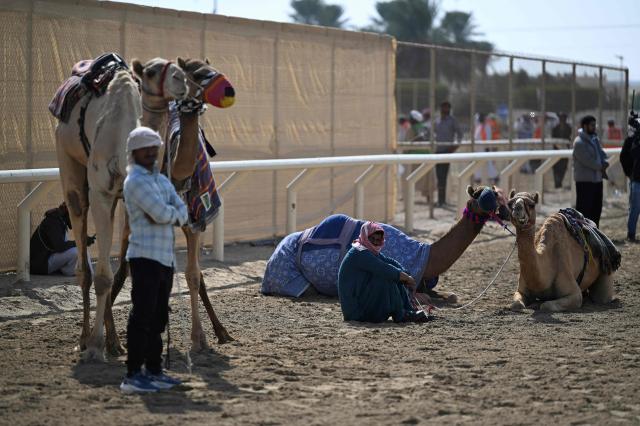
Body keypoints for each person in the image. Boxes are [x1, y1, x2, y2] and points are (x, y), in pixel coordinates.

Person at [120, 127, 189, 394]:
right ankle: (133, 375)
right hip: (144, 258)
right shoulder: (134, 182)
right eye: (146, 148)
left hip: (164, 260)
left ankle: (154, 370)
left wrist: (169, 214)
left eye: (154, 147)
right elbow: (163, 213)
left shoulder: (160, 180)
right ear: (134, 152)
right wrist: (171, 214)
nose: (151, 152)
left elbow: (178, 210)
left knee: (159, 318)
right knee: (142, 317)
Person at [337, 222, 430, 323]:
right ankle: (401, 315)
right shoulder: (360, 253)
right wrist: (407, 278)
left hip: (363, 301)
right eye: (373, 239)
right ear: (365, 237)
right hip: (356, 312)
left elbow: (389, 261)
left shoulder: (367, 250)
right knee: (387, 277)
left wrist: (406, 275)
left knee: (395, 276)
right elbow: (384, 269)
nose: (376, 243)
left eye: (379, 240)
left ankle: (409, 311)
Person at [29, 201, 95, 276]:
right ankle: (89, 275)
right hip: (40, 266)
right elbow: (60, 247)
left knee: (79, 249)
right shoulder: (53, 221)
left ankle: (82, 273)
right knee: (79, 251)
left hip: (46, 261)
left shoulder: (60, 220)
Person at [573, 115, 609, 227]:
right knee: (584, 212)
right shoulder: (579, 143)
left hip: (597, 181)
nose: (594, 127)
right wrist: (601, 166)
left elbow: (602, 153)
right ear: (585, 126)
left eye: (595, 125)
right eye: (592, 125)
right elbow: (588, 161)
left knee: (596, 210)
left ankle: (595, 234)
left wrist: (605, 162)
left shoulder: (595, 139)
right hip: (585, 183)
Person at [434, 101, 463, 206]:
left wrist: (455, 146)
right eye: (443, 107)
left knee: (443, 176)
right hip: (437, 151)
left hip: (447, 151)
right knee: (438, 176)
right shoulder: (437, 121)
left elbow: (460, 134)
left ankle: (442, 200)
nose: (445, 110)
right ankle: (440, 200)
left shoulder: (452, 121)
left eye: (447, 108)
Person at [620, 116, 640, 242]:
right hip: (637, 180)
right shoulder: (633, 141)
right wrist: (630, 174)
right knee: (634, 208)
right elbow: (626, 157)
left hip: (636, 179)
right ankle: (631, 234)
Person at [551, 112, 572, 189]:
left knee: (563, 166)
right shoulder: (555, 128)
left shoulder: (569, 128)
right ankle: (557, 182)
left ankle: (560, 181)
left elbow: (569, 138)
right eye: (561, 118)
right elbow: (553, 139)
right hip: (556, 150)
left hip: (565, 150)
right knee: (556, 167)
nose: (562, 120)